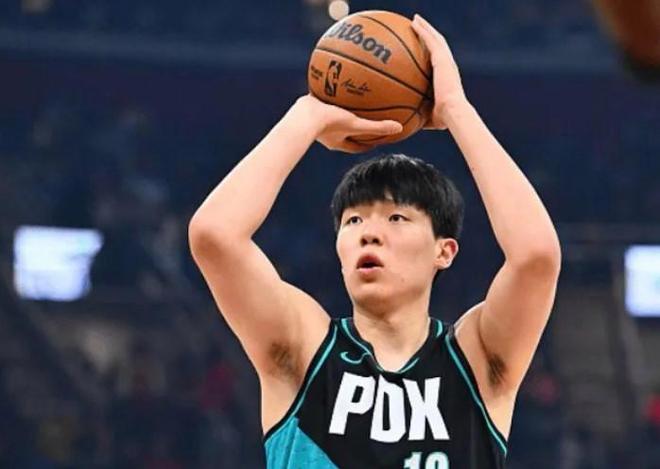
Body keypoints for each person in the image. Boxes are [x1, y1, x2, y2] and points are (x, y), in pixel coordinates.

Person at [188, 14, 561, 469]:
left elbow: (536, 256)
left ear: (444, 250)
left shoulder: (476, 358)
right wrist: (306, 115)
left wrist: (457, 111)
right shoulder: (303, 347)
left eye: (397, 218)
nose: (368, 231)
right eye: (353, 220)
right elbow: (215, 235)